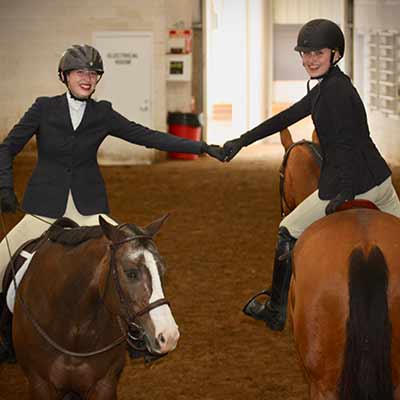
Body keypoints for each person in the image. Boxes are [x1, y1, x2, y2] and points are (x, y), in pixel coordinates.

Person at [0, 44, 225, 362]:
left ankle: (135, 339)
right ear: (65, 76)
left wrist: (201, 146)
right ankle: (7, 339)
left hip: (90, 209)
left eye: (93, 73)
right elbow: (6, 148)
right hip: (44, 207)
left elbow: (146, 136)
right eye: (80, 72)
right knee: (0, 264)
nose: (87, 78)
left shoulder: (101, 113)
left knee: (132, 257)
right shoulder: (43, 108)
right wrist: (5, 186)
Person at [223, 19, 400, 331]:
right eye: (304, 54)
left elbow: (346, 146)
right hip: (381, 184)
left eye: (317, 53)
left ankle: (276, 309)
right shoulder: (329, 87)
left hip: (351, 186)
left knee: (287, 229)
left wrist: (343, 194)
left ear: (335, 54)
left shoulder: (335, 93)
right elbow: (287, 116)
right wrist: (242, 140)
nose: (309, 60)